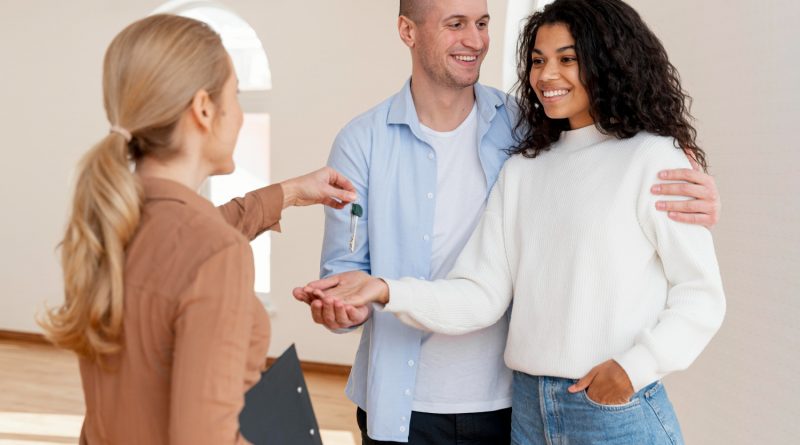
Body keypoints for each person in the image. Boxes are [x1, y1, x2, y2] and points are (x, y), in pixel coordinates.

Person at [293, 0, 722, 443]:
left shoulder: (640, 155)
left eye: (568, 58)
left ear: (608, 58)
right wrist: (384, 289)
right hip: (525, 409)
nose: (547, 75)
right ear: (408, 31)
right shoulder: (526, 162)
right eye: (538, 61)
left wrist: (634, 369)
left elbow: (700, 293)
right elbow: (481, 292)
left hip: (597, 405)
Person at [39, 14, 355, 445]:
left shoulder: (110, 223)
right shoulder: (212, 250)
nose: (241, 114)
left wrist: (295, 191)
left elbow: (204, 233)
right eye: (236, 95)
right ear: (204, 108)